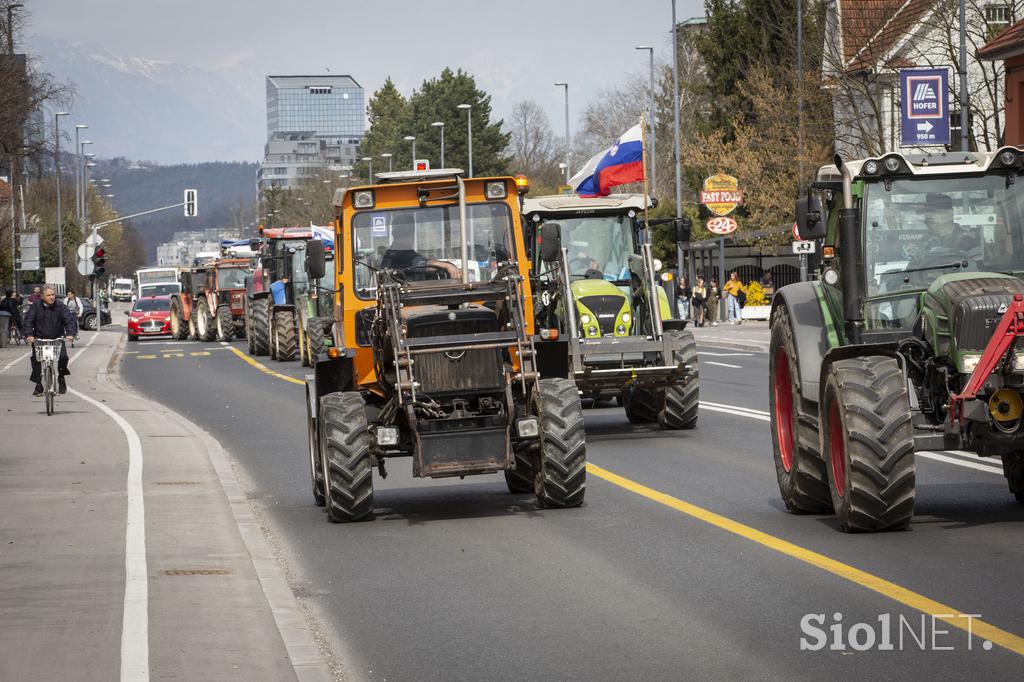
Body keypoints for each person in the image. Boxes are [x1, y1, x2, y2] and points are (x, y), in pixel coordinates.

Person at [24, 286, 78, 396]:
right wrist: (29, 335)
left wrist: (70, 334)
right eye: (48, 295)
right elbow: (28, 321)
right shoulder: (36, 306)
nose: (52, 297)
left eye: (53, 294)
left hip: (57, 338)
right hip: (40, 338)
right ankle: (38, 384)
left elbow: (69, 320)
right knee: (36, 359)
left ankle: (61, 377)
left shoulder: (60, 306)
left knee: (63, 357)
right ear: (43, 296)